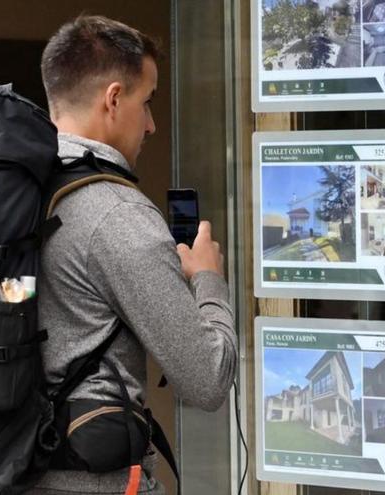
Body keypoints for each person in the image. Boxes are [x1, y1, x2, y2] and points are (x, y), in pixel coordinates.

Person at [29, 15, 237, 495]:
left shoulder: (17, 190)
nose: (151, 124)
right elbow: (207, 380)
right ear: (114, 98)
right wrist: (207, 278)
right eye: (146, 103)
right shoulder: (117, 214)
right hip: (97, 481)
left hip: (18, 471)